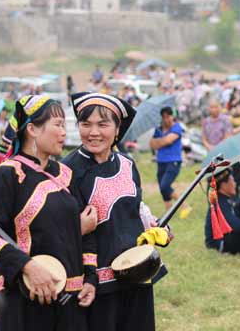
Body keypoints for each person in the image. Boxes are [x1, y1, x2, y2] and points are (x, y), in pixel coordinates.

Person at [0, 95, 95, 331]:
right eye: (58, 125)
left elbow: (86, 228)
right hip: (26, 296)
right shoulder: (6, 176)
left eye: (65, 126)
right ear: (32, 129)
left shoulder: (65, 174)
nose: (64, 133)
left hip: (71, 297)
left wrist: (90, 278)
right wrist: (26, 266)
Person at [63, 92, 172, 331]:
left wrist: (156, 227)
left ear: (117, 128)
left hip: (138, 272)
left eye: (103, 124)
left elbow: (136, 208)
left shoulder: (128, 164)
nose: (93, 132)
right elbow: (72, 230)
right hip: (98, 283)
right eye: (85, 124)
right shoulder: (68, 170)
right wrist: (88, 276)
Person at [150, 106, 190, 216]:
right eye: (164, 117)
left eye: (169, 116)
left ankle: (185, 205)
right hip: (161, 161)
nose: (167, 119)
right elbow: (152, 144)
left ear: (172, 116)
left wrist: (160, 142)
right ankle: (169, 212)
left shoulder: (177, 128)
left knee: (165, 185)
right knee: (163, 189)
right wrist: (161, 142)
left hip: (174, 161)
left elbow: (167, 141)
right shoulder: (158, 129)